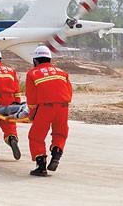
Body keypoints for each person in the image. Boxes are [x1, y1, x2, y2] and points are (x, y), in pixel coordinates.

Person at [26, 45, 72, 177]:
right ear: (50, 60)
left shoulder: (32, 74)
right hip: (63, 107)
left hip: (45, 108)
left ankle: (41, 166)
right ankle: (56, 155)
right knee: (60, 133)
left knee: (36, 136)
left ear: (36, 61)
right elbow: (69, 92)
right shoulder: (62, 73)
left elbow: (32, 99)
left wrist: (32, 115)